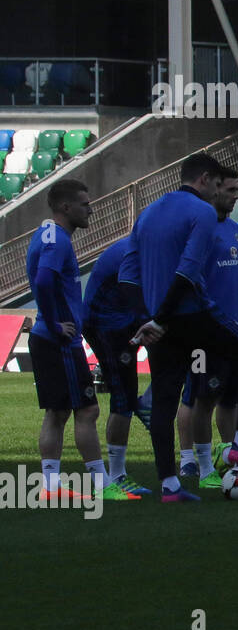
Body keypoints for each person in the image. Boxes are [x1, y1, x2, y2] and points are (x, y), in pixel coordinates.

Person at [122, 153, 238, 503]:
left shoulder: (148, 212)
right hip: (192, 314)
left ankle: (170, 486)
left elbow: (128, 273)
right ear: (204, 180)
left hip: (160, 324)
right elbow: (189, 272)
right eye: (219, 184)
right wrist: (160, 318)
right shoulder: (202, 212)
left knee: (164, 399)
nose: (222, 191)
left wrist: (149, 318)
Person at [28, 179, 138, 502]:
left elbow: (42, 278)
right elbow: (45, 279)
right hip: (59, 340)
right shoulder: (58, 240)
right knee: (87, 410)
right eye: (85, 203)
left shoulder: (46, 234)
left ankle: (50, 487)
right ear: (66, 207)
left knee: (57, 413)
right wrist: (54, 323)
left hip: (47, 337)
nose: (90, 208)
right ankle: (102, 485)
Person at [177, 165, 238, 488]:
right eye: (230, 190)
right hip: (205, 328)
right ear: (214, 189)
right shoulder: (198, 228)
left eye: (236, 190)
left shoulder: (233, 228)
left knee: (228, 397)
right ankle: (197, 465)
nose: (235, 196)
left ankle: (232, 457)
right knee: (199, 397)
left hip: (233, 326)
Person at [81, 235, 151, 495]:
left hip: (122, 320)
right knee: (123, 395)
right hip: (106, 324)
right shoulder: (134, 251)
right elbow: (130, 286)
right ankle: (117, 474)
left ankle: (146, 403)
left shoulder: (142, 246)